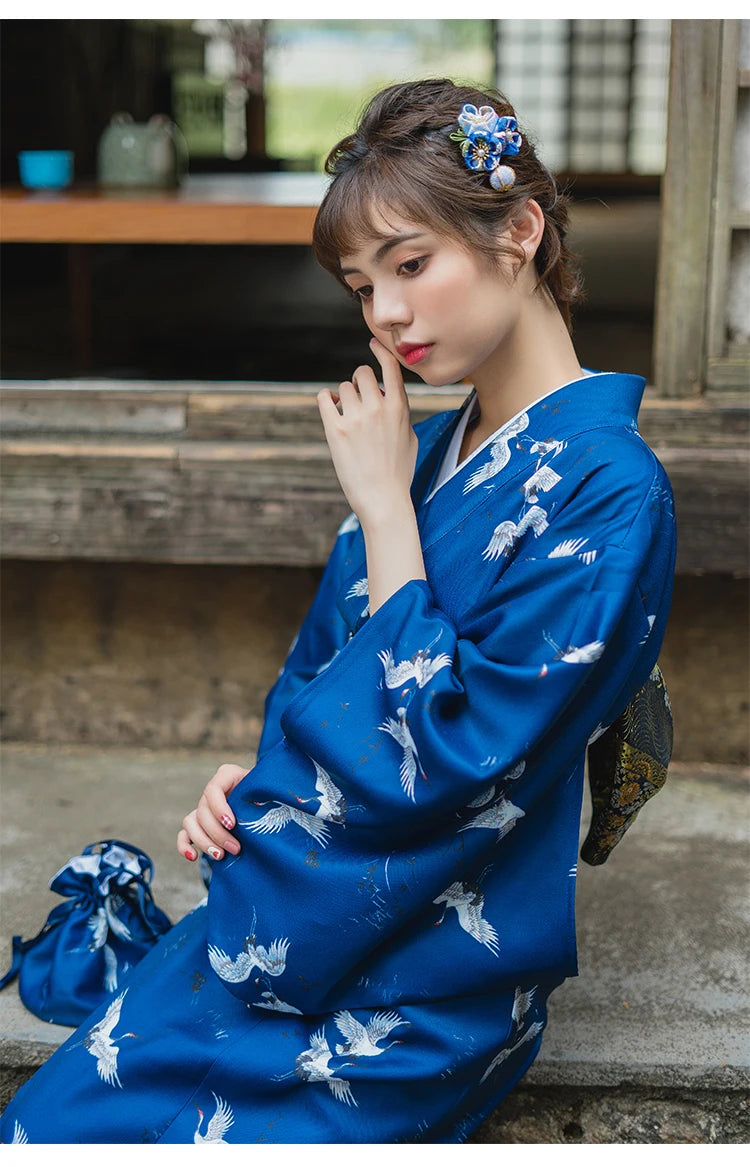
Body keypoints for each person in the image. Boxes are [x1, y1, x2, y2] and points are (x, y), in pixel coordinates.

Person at [0, 78, 676, 1145]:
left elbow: (461, 752)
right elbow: (325, 673)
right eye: (363, 286)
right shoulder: (441, 447)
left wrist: (383, 513)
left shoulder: (614, 490)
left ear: (521, 231)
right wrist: (254, 790)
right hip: (301, 909)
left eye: (412, 265)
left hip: (423, 991)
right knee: (43, 1127)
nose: (386, 315)